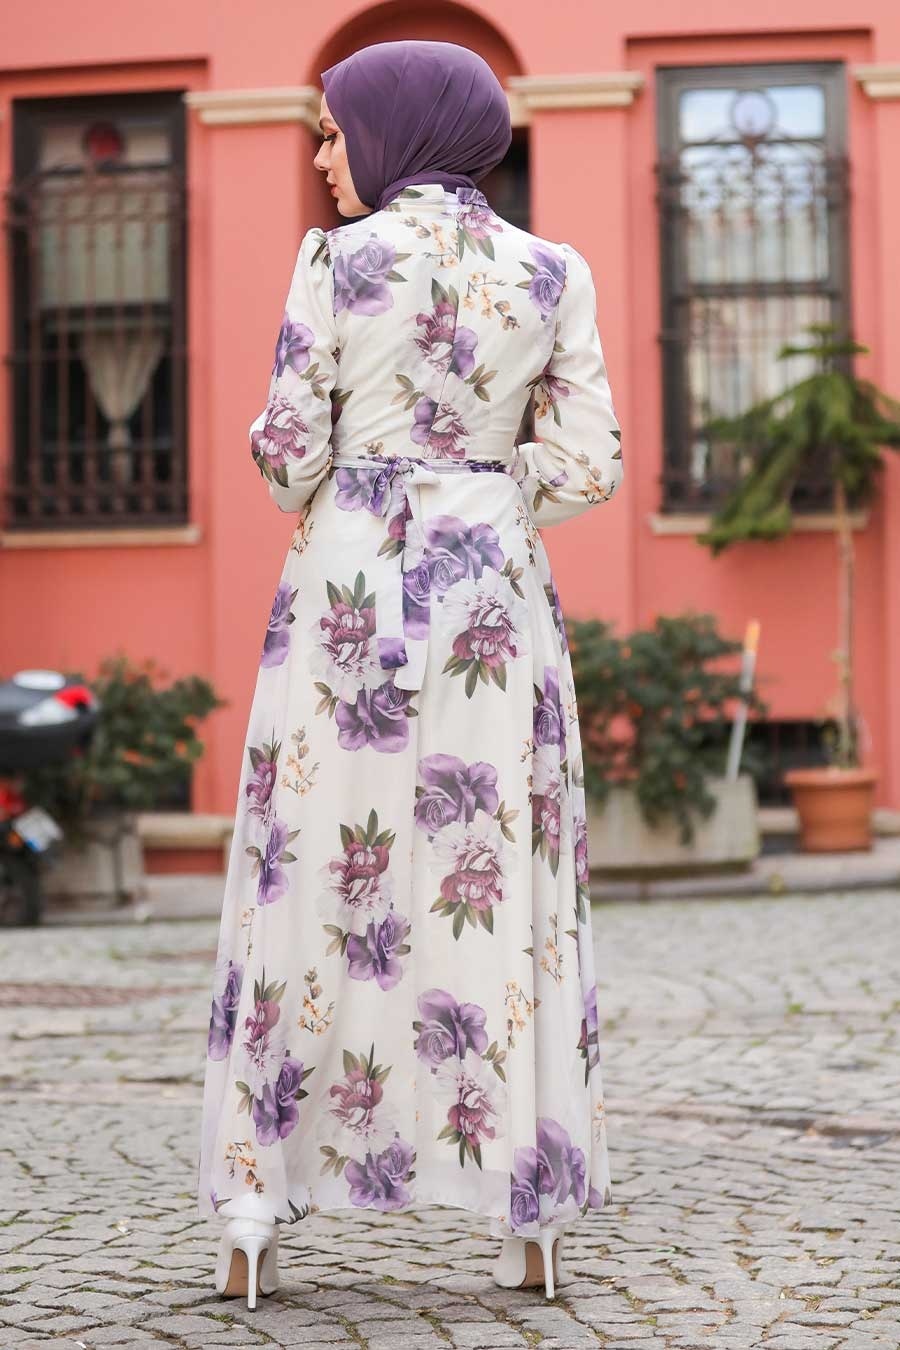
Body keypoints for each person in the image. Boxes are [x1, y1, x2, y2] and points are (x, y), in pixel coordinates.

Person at [198, 38, 623, 1306]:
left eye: (333, 133)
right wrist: (487, 480)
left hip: (352, 595)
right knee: (495, 873)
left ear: (393, 131)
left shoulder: (335, 261)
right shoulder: (555, 270)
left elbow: (287, 459)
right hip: (493, 593)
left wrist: (365, 467)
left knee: (315, 870)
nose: (322, 157)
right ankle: (530, 1220)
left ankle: (255, 1207)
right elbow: (591, 463)